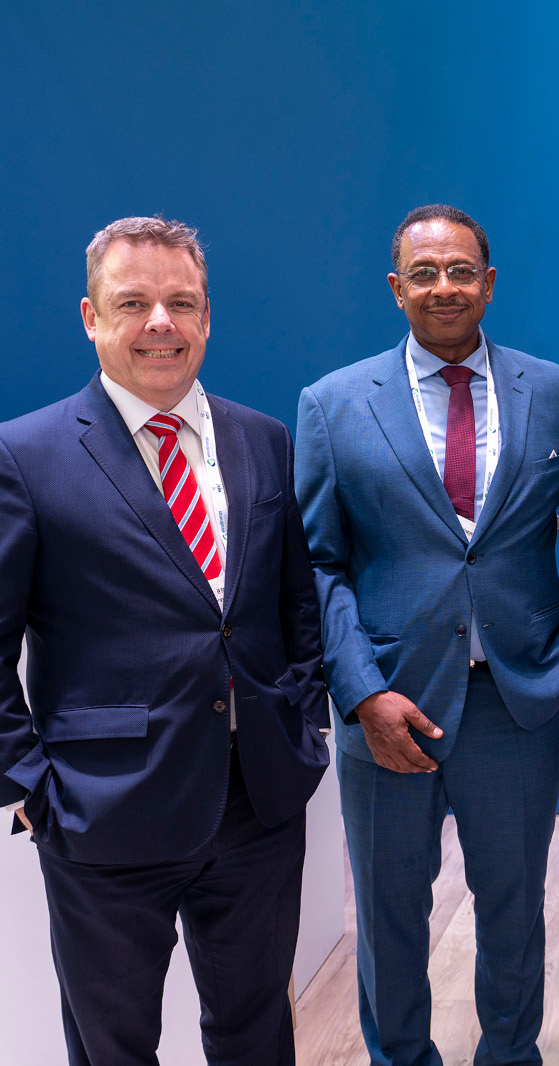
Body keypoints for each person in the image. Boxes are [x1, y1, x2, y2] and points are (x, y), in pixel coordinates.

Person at [0, 216, 328, 1065]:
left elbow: (295, 603)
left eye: (181, 303)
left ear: (208, 317)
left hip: (257, 801)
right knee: (115, 1046)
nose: (160, 323)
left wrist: (302, 718)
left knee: (256, 1030)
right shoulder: (26, 455)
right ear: (89, 317)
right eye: (133, 302)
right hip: (102, 810)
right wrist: (29, 781)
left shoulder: (262, 439)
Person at [295, 204, 559, 1066]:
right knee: (391, 913)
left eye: (461, 271)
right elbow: (318, 565)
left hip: (516, 698)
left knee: (513, 905)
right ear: (397, 288)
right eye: (425, 274)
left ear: (489, 282)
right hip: (389, 704)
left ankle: (510, 1056)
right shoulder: (331, 405)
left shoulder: (554, 391)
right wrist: (361, 692)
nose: (445, 288)